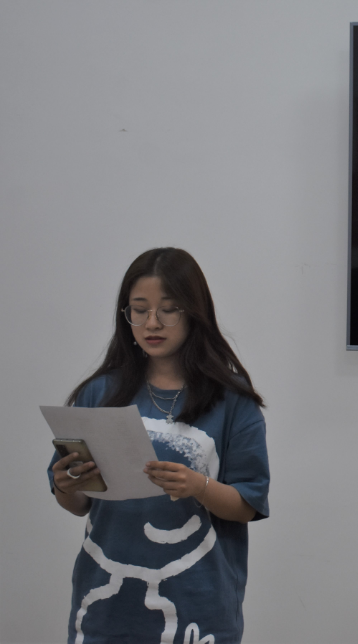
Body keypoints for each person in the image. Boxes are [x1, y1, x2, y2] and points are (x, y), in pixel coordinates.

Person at [47, 248, 269, 644]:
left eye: (169, 310)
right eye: (139, 310)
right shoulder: (99, 393)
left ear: (195, 313)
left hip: (199, 611)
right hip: (103, 608)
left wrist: (198, 486)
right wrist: (66, 485)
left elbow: (247, 505)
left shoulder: (233, 401)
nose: (152, 322)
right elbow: (78, 504)